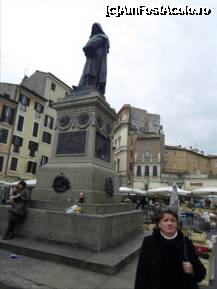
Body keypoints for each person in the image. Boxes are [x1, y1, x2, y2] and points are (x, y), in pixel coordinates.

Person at [134, 207, 206, 289]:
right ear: (159, 224)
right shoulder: (149, 242)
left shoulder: (185, 242)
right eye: (165, 220)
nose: (170, 223)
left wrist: (193, 269)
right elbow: (141, 273)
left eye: (173, 220)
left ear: (177, 224)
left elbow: (201, 273)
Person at [77, 23, 110, 95]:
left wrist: (94, 45)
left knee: (94, 70)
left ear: (99, 28)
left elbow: (101, 43)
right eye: (93, 27)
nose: (95, 29)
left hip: (98, 54)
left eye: (96, 27)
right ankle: (83, 85)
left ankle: (92, 85)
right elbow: (88, 45)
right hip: (90, 55)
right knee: (86, 70)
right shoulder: (91, 37)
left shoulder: (103, 37)